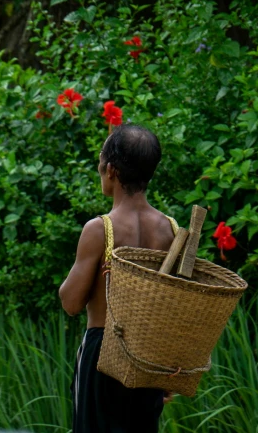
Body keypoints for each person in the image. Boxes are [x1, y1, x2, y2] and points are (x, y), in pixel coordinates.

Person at [58, 124, 176, 433]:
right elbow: (170, 307)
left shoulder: (99, 229)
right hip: (147, 357)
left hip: (102, 355)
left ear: (110, 169)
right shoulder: (170, 230)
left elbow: (70, 302)